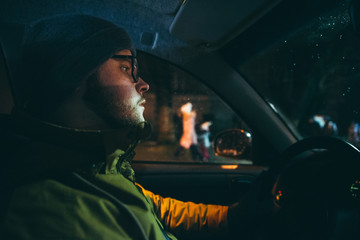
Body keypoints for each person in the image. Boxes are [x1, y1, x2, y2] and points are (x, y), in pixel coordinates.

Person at [0, 14, 269, 240]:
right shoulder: (49, 210)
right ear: (76, 74)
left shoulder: (95, 165)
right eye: (126, 68)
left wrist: (231, 216)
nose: (143, 84)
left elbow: (154, 208)